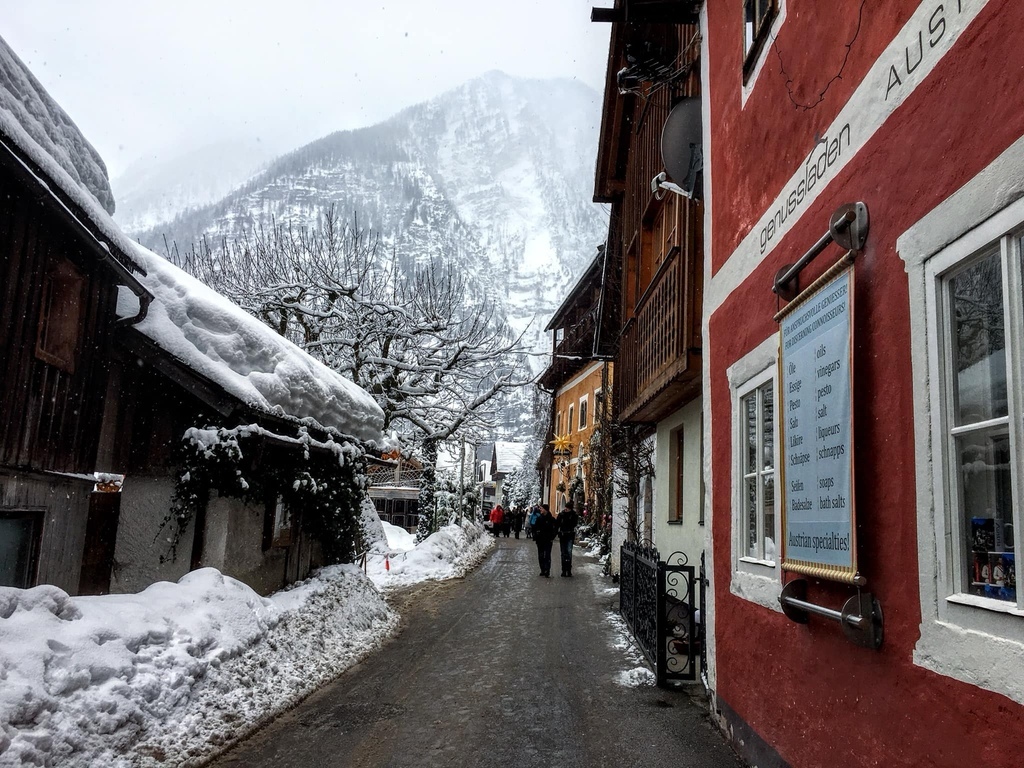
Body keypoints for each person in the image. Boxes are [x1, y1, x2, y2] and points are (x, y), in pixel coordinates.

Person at [533, 503, 558, 577]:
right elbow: (535, 528)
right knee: (540, 555)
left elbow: (555, 529)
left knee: (547, 555)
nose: (540, 510)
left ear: (545, 510)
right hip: (540, 540)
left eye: (542, 508)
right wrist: (536, 536)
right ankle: (542, 569)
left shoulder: (551, 519)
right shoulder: (539, 518)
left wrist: (552, 537)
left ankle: (547, 570)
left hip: (548, 539)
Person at [557, 499, 579, 577]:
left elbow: (574, 524)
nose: (566, 509)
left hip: (569, 535)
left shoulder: (573, 515)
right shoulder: (561, 515)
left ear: (570, 508)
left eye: (568, 508)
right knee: (563, 553)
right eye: (566, 507)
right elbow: (557, 524)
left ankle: (568, 570)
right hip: (563, 536)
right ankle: (563, 570)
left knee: (569, 552)